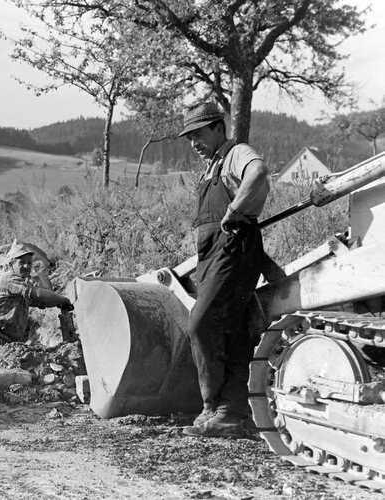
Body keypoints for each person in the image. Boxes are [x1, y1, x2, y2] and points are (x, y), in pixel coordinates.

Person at [178, 102, 270, 438]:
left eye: (199, 134)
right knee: (227, 328)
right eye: (189, 138)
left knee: (201, 324)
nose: (194, 143)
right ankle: (222, 411)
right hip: (212, 254)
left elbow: (259, 172)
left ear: (219, 128)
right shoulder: (213, 165)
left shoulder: (235, 153)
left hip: (233, 249)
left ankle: (222, 407)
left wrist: (234, 208)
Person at [0, 240, 74, 356]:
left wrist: (43, 277)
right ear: (11, 264)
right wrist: (64, 300)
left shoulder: (21, 287)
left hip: (6, 340)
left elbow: (43, 300)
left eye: (29, 263)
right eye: (21, 262)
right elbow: (38, 294)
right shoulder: (9, 278)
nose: (26, 266)